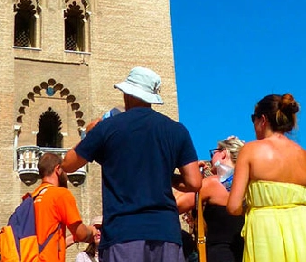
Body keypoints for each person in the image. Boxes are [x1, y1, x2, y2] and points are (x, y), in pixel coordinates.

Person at [62, 66, 202, 262]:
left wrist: (89, 134)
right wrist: (164, 174)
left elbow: (68, 164)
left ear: (127, 93)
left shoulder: (108, 128)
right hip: (166, 232)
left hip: (124, 232)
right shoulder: (177, 130)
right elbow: (194, 183)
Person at [226, 93, 306, 262]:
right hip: (305, 236)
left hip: (266, 235)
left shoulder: (250, 150)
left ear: (262, 119)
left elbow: (233, 206)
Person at [175, 136, 246, 262]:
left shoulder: (213, 183)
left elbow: (176, 205)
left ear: (224, 154)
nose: (211, 158)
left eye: (214, 152)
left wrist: (193, 178)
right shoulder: (247, 186)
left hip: (218, 254)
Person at [33, 153, 95, 262]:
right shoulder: (60, 194)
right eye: (65, 171)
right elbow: (81, 234)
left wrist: (71, 239)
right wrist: (92, 231)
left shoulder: (31, 198)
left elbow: (46, 238)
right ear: (58, 169)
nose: (66, 176)